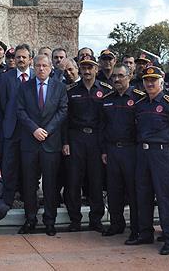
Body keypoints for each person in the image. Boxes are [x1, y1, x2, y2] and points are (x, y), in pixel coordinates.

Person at [128, 66, 169, 255]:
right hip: (143, 154)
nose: (150, 83)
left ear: (161, 81)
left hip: (162, 154)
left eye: (154, 80)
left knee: (165, 197)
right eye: (147, 80)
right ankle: (145, 233)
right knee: (143, 195)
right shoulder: (140, 104)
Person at [16, 54, 68, 236]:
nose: (41, 68)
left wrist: (47, 130)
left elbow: (62, 111)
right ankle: (30, 220)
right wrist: (34, 130)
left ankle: (50, 221)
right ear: (33, 66)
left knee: (50, 184)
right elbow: (20, 111)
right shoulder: (24, 88)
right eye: (37, 65)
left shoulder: (60, 88)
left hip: (50, 143)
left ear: (50, 68)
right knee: (29, 184)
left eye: (44, 65)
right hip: (30, 143)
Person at [63, 55, 108, 232]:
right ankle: (75, 219)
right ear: (80, 70)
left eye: (91, 68)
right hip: (76, 139)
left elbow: (107, 120)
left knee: (96, 181)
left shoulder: (105, 90)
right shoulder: (71, 90)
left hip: (97, 140)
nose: (87, 71)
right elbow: (65, 119)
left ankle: (96, 219)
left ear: (96, 69)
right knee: (74, 180)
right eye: (84, 68)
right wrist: (65, 142)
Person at [100, 64, 138, 240]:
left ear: (129, 76)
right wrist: (104, 150)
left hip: (132, 151)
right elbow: (103, 126)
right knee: (114, 191)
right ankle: (116, 224)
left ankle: (137, 227)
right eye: (114, 76)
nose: (116, 79)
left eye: (121, 76)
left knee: (134, 191)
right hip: (112, 151)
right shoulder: (107, 99)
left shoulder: (138, 98)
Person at [0, 43, 33, 206]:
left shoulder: (36, 76)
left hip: (31, 130)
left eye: (23, 57)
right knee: (9, 166)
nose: (20, 59)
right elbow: (3, 104)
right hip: (11, 129)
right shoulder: (6, 78)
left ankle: (29, 198)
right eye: (17, 57)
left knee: (29, 166)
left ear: (30, 59)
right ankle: (7, 200)